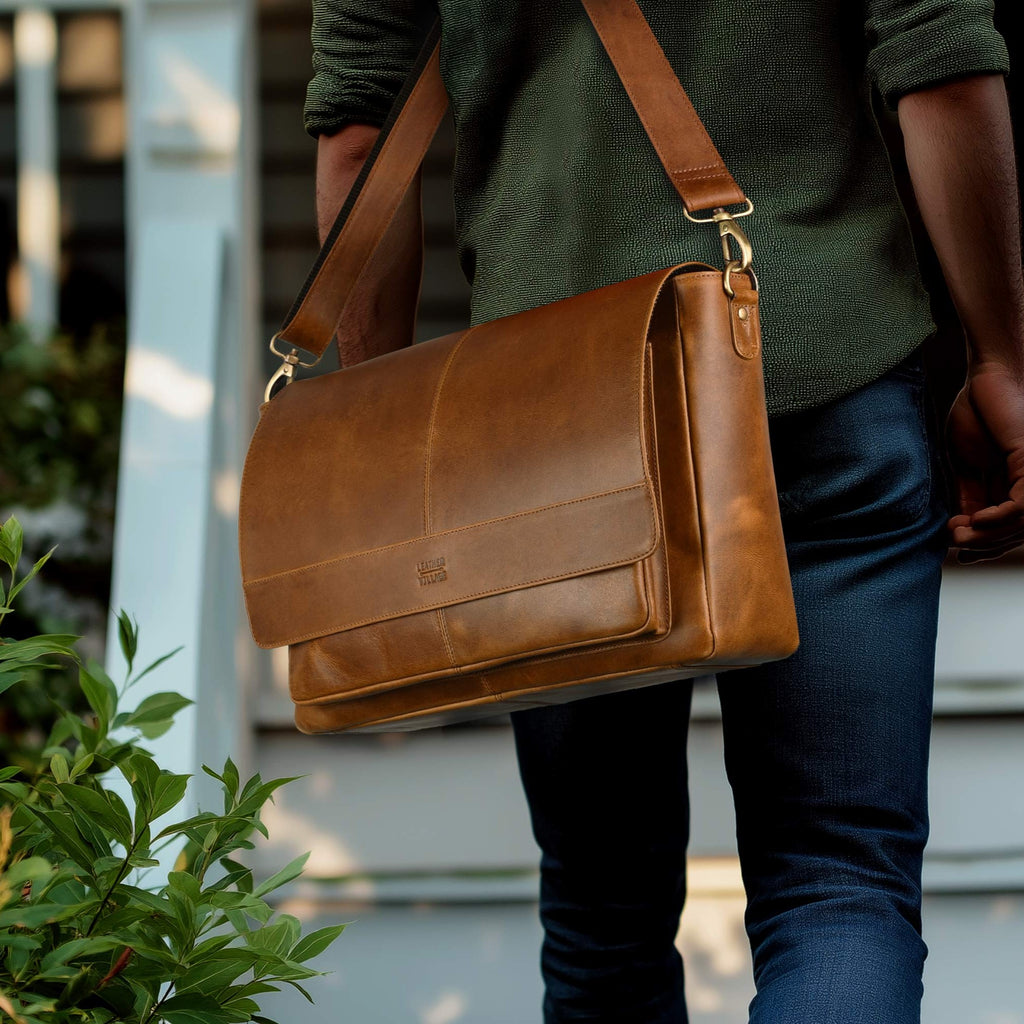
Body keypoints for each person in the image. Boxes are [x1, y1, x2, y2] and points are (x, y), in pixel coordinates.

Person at [302, 1, 1023, 1020]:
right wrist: (1000, 358)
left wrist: (385, 427)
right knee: (838, 882)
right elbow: (940, 62)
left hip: (547, 424)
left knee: (602, 909)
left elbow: (359, 138)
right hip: (819, 368)